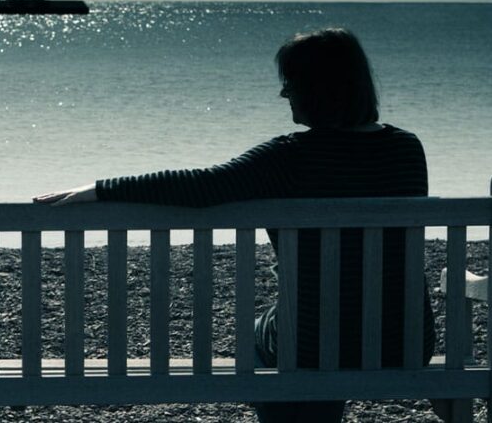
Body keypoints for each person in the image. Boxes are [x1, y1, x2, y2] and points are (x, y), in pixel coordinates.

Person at [34, 28, 437, 423]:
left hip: (314, 347)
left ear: (317, 89)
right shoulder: (406, 149)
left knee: (261, 333)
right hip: (404, 343)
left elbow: (202, 186)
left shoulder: (287, 158)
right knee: (314, 330)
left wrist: (100, 189)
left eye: (290, 83)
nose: (284, 94)